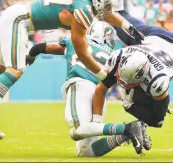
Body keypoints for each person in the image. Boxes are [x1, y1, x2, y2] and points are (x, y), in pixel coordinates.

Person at [0, 0, 144, 139]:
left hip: (15, 16)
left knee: (0, 66)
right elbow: (82, 52)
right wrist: (103, 76)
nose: (108, 9)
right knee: (15, 70)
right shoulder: (83, 11)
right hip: (20, 21)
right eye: (107, 4)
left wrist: (129, 27)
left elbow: (107, 15)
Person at [88, 0, 173, 153]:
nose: (123, 84)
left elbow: (158, 119)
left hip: (172, 47)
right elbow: (102, 87)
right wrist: (96, 125)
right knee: (115, 15)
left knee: (152, 116)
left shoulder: (157, 82)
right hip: (152, 42)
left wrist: (129, 107)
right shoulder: (120, 57)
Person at [26, 21, 146, 156]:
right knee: (85, 152)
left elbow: (41, 47)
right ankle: (127, 134)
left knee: (76, 131)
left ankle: (127, 128)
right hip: (99, 96)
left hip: (80, 86)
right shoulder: (114, 55)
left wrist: (30, 56)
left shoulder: (77, 41)